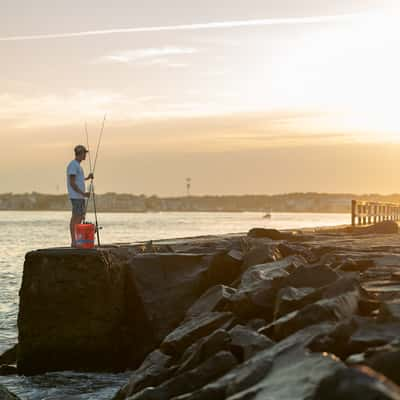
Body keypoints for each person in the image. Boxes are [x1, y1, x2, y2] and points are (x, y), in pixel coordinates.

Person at [66, 145, 94, 247]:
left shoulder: (78, 166)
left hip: (80, 197)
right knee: (76, 218)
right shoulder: (73, 165)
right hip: (76, 197)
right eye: (84, 153)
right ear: (80, 153)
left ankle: (79, 241)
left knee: (80, 217)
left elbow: (79, 180)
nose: (85, 155)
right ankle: (74, 241)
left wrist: (87, 178)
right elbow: (72, 183)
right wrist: (83, 194)